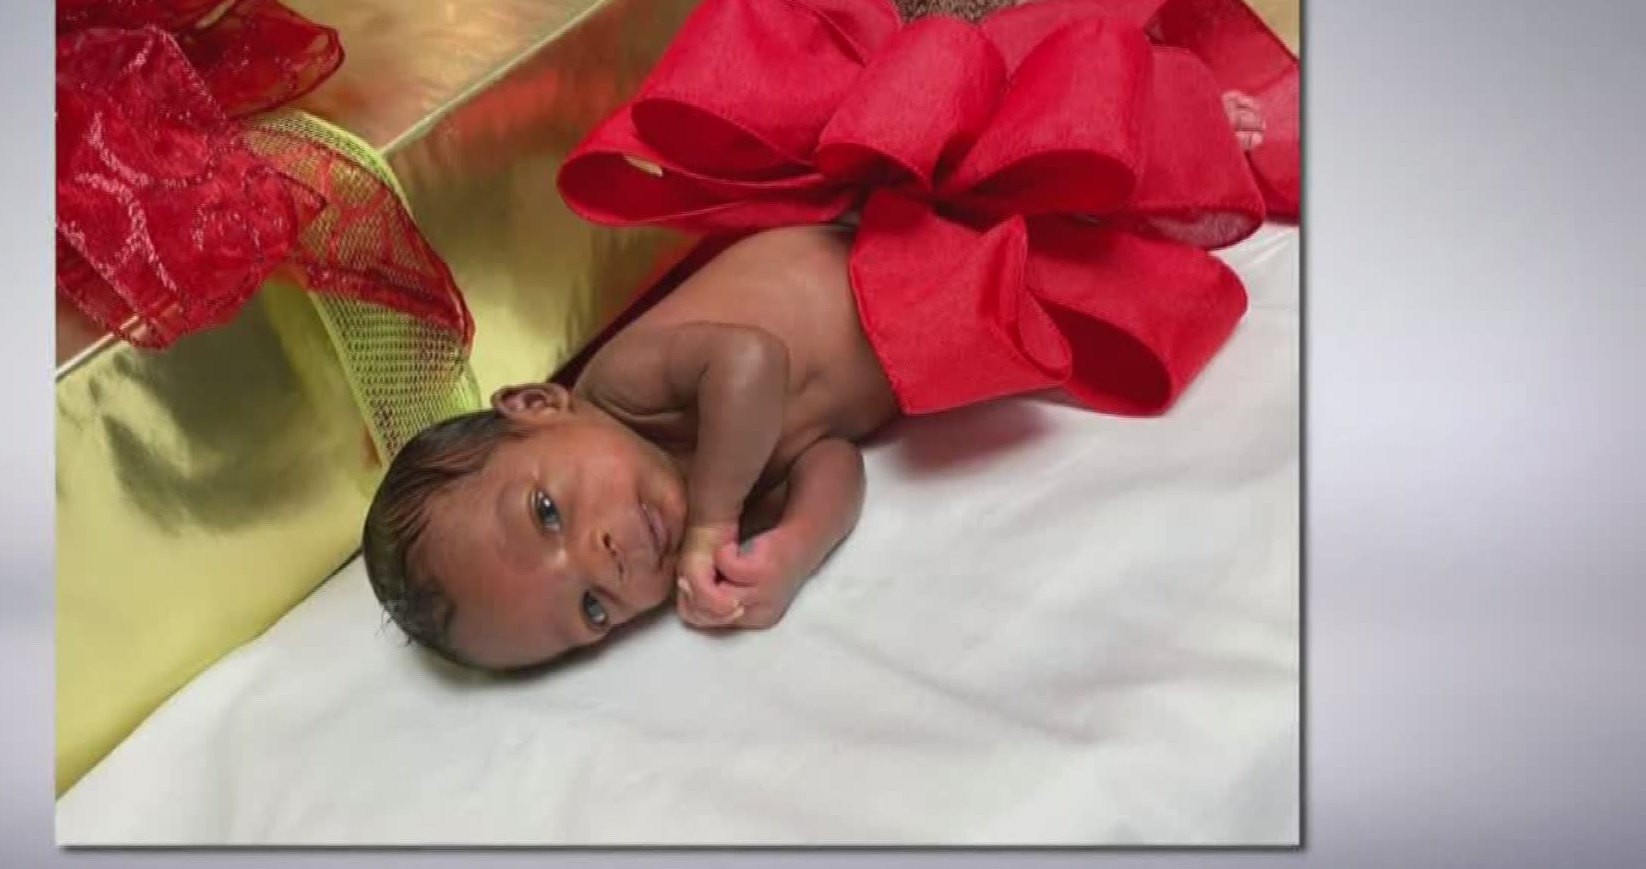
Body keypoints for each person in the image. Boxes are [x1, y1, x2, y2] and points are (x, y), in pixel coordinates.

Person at [360, 92, 1269, 672]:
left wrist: (717, 517)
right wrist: (789, 550)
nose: (604, 559)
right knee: (1100, 264)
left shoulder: (624, 389)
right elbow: (836, 458)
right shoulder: (695, 506)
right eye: (592, 610)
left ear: (536, 406)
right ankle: (1183, 163)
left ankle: (1180, 114)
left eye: (548, 515)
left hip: (888, 232)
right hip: (948, 310)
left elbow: (751, 363)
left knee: (1058, 142)